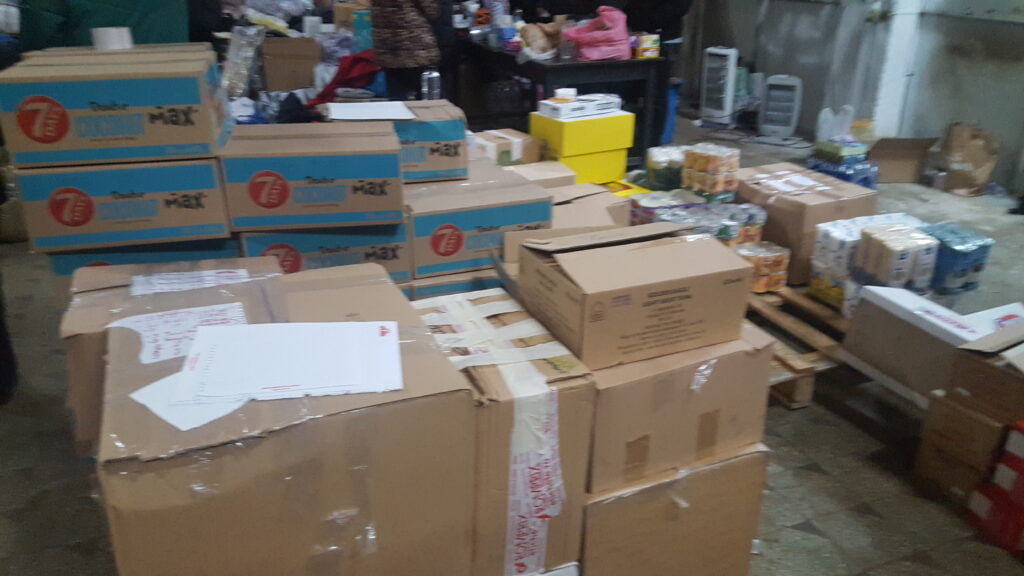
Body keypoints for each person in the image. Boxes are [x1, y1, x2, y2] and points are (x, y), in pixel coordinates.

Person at [371, 0, 441, 100]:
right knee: (426, 95)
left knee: (396, 95)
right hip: (414, 45)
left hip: (387, 45)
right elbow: (431, 11)